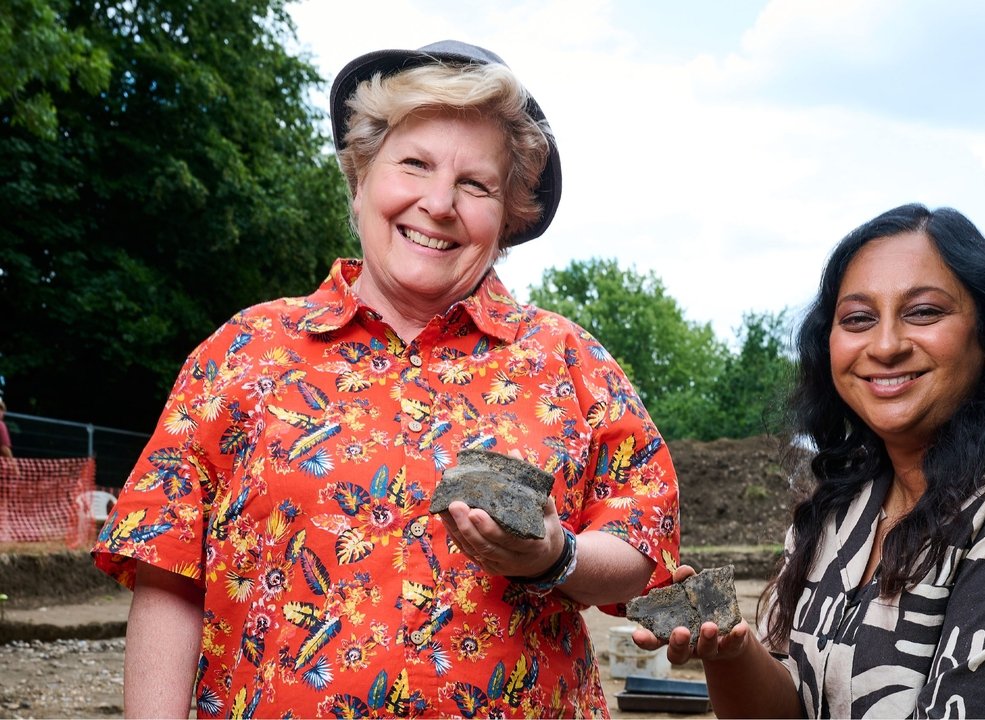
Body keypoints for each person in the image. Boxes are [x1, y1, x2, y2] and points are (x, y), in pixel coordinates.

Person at [93, 40, 680, 718]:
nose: (438, 203)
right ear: (362, 175)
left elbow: (641, 546)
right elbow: (169, 573)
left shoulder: (570, 363)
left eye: (476, 184)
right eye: (414, 164)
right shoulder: (243, 354)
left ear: (509, 214)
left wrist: (554, 555)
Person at [635, 204, 985, 718]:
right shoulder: (841, 510)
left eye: (923, 312)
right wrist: (731, 652)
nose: (884, 346)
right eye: (858, 319)